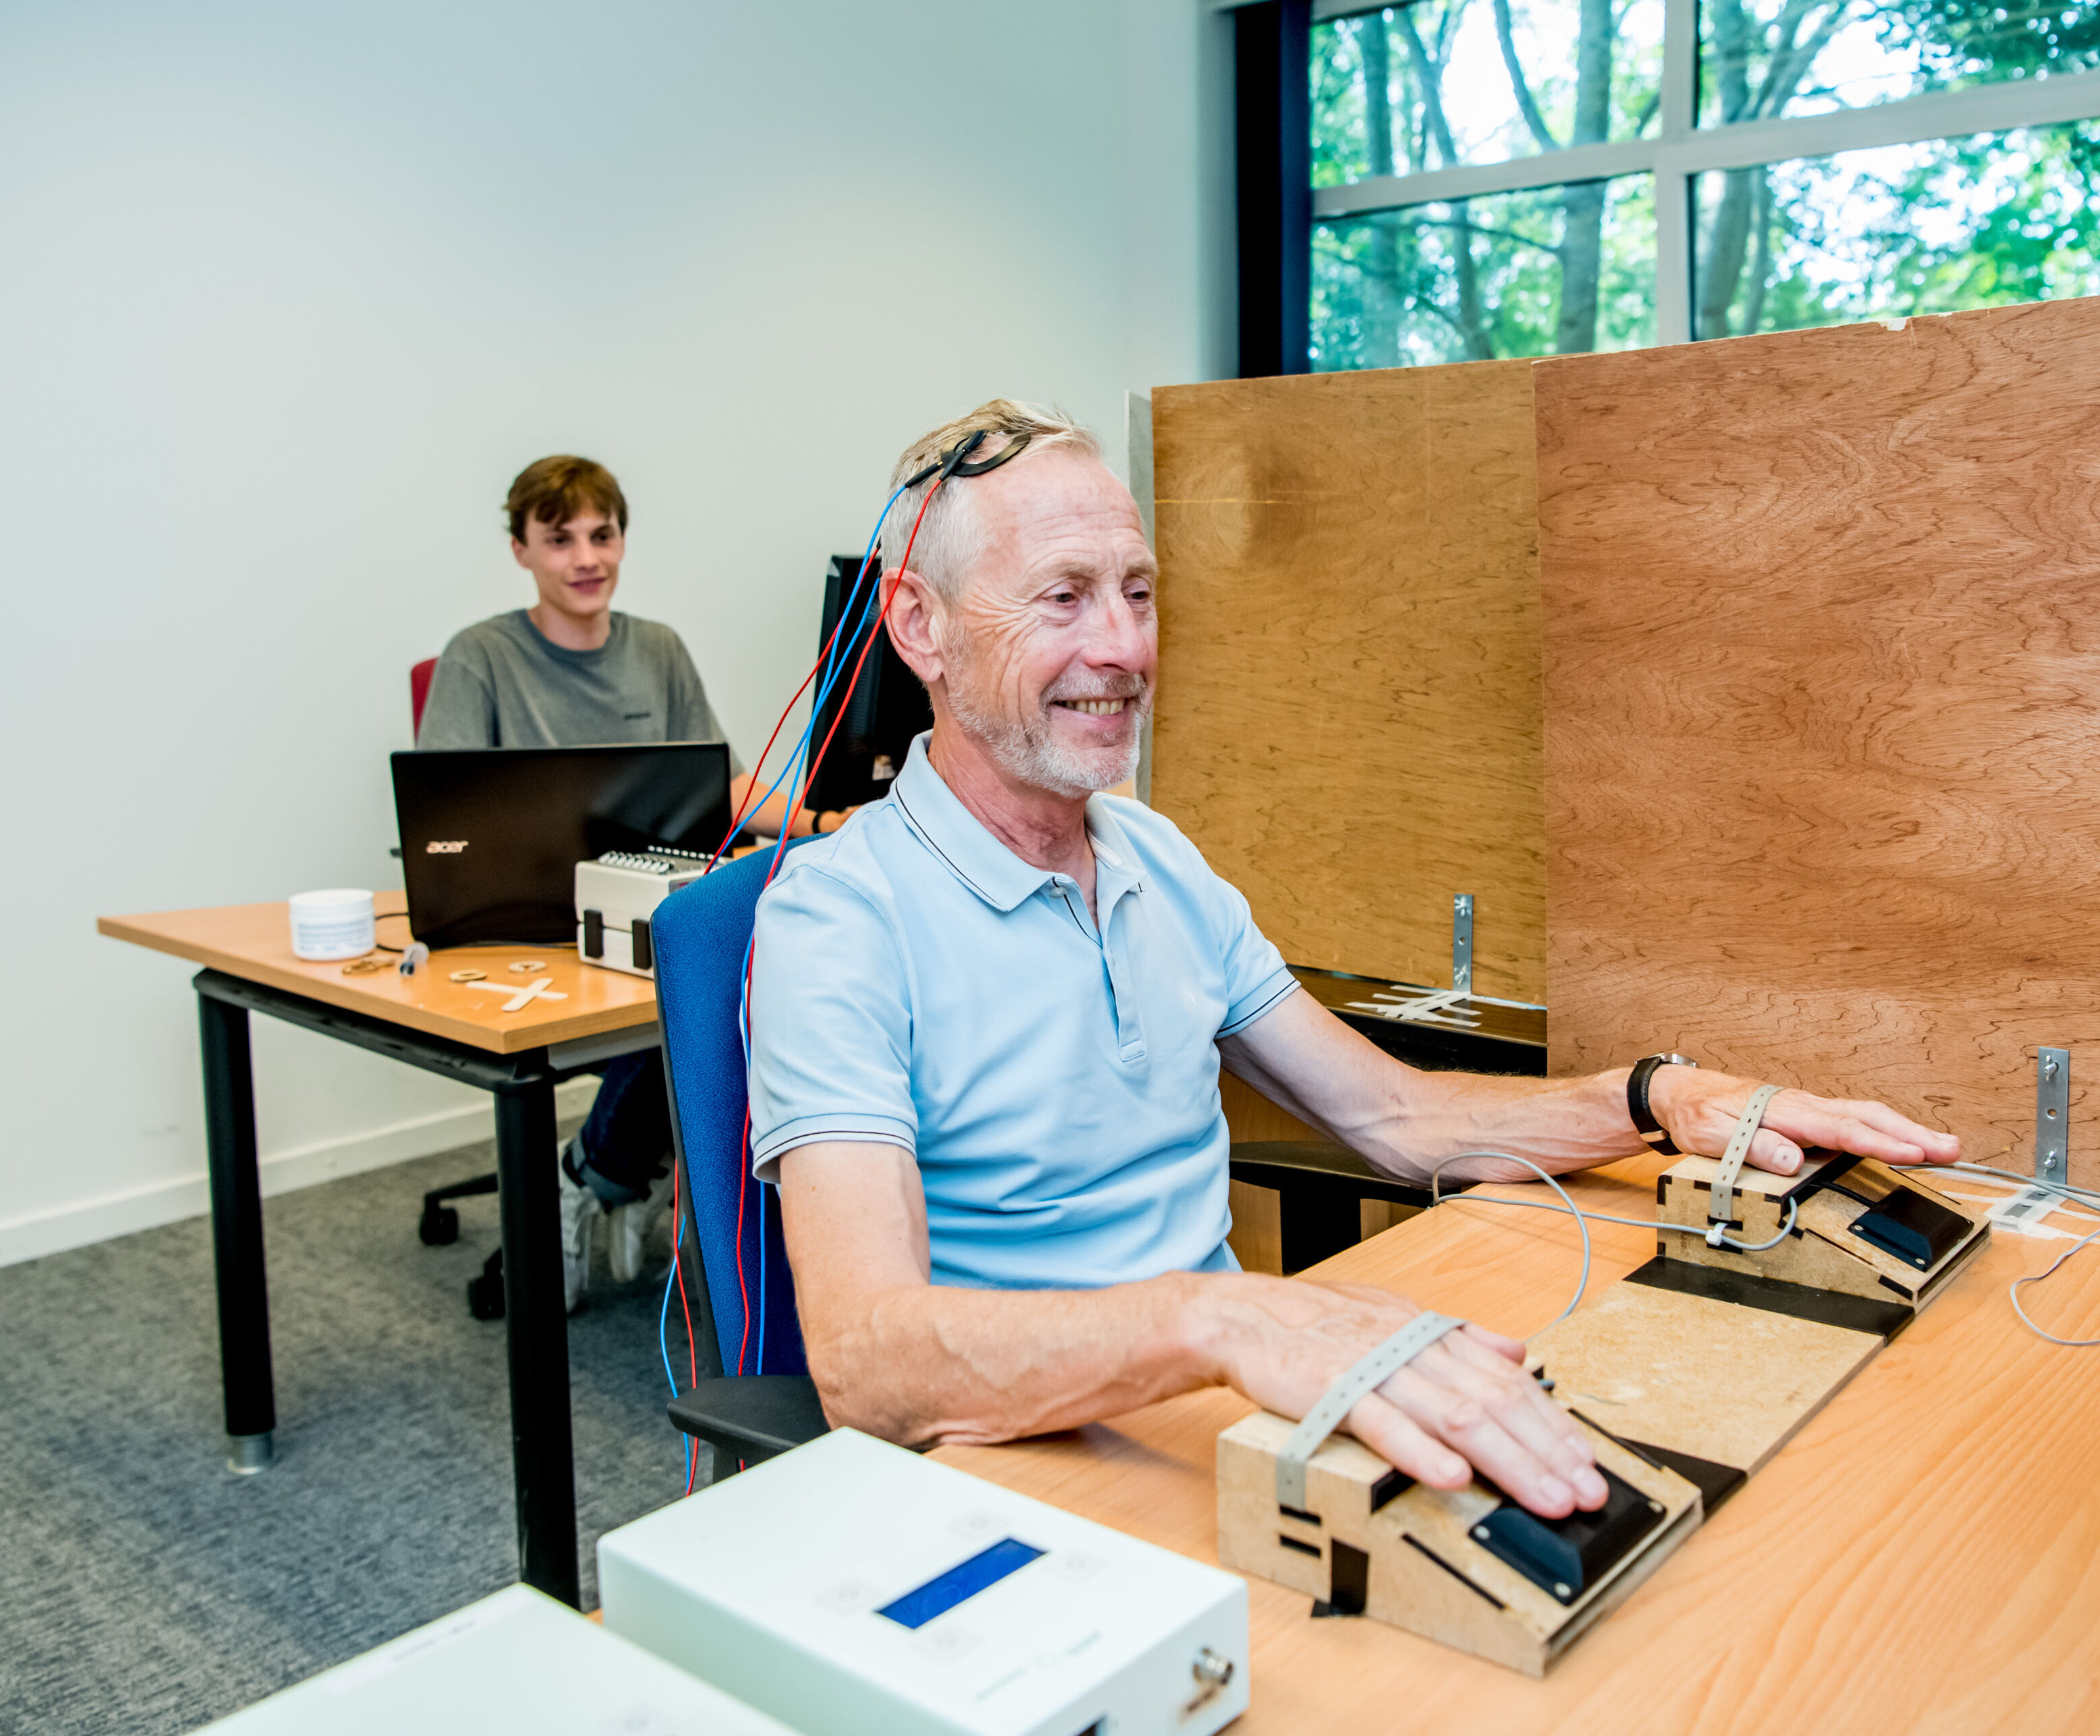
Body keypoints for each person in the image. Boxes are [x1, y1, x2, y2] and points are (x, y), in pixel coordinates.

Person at [746, 402, 1961, 1518]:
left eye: (1138, 592)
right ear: (920, 626)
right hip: (1022, 1475)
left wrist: (1655, 1098)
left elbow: (1396, 1117)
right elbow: (864, 1361)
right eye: (1063, 598)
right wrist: (1221, 1316)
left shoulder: (1157, 857)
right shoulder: (839, 922)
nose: (1123, 648)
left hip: (1225, 1417)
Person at [419, 454, 814, 1309]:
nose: (586, 558)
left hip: (641, 908)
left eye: (602, 535)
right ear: (522, 550)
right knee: (681, 997)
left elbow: (726, 787)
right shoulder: (480, 656)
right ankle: (611, 1172)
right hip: (528, 929)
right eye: (560, 540)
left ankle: (593, 1170)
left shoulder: (658, 649)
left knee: (733, 968)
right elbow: (445, 820)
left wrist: (823, 823)